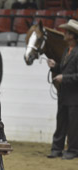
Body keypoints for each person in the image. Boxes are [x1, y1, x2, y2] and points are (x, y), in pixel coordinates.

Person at [46, 19, 78, 160]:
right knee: (61, 122)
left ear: (73, 35)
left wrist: (64, 78)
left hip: (74, 96)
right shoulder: (67, 50)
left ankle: (72, 150)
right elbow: (65, 69)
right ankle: (57, 148)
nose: (64, 34)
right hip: (65, 94)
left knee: (73, 124)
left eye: (67, 32)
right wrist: (55, 66)